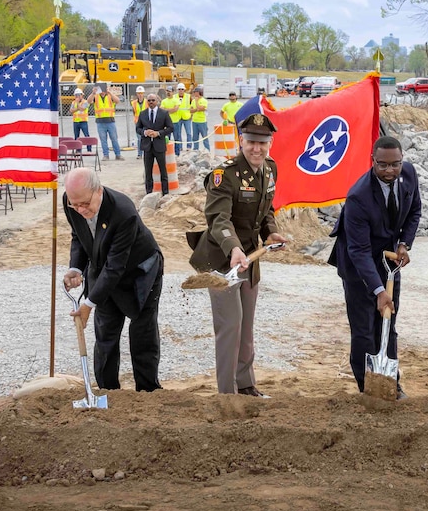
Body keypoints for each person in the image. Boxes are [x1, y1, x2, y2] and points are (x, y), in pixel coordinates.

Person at [189, 113, 288, 396]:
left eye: (263, 142)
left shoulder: (270, 169)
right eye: (251, 142)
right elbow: (219, 220)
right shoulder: (224, 176)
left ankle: (245, 386)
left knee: (246, 327)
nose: (257, 148)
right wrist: (233, 248)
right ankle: (227, 395)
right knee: (230, 327)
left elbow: (266, 209)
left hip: (250, 258)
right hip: (222, 260)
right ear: (240, 141)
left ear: (270, 143)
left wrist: (271, 233)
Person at [328, 136, 422, 399]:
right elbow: (358, 251)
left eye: (395, 164)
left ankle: (391, 382)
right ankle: (367, 386)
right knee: (364, 328)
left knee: (387, 323)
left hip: (389, 258)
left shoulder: (409, 174)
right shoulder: (359, 196)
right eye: (383, 165)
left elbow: (415, 210)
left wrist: (404, 243)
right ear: (372, 162)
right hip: (358, 264)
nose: (389, 171)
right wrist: (379, 291)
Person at [62, 167, 164, 391]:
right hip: (104, 271)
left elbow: (116, 265)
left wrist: (88, 304)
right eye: (74, 204)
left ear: (98, 191)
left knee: (141, 333)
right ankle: (108, 391)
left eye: (85, 204)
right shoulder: (71, 201)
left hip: (139, 272)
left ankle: (148, 391)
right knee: (106, 333)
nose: (80, 209)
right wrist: (76, 268)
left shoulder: (123, 211)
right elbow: (78, 235)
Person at [135, 93, 173, 194]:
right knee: (148, 172)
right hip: (147, 147)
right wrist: (144, 132)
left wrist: (159, 133)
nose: (151, 102)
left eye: (153, 100)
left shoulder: (163, 113)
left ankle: (165, 193)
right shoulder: (143, 114)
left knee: (163, 171)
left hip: (159, 146)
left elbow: (170, 128)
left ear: (157, 101)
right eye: (149, 100)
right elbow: (137, 128)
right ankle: (149, 192)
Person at [88, 83, 122, 161]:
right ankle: (106, 155)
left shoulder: (110, 96)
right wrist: (93, 93)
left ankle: (118, 154)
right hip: (100, 122)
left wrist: (109, 92)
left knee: (114, 139)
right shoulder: (95, 96)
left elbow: (117, 101)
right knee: (103, 140)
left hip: (110, 121)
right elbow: (89, 101)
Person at [190, 86, 210, 152]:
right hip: (194, 121)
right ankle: (196, 150)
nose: (194, 93)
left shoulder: (204, 101)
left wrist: (196, 101)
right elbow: (191, 110)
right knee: (195, 137)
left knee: (204, 136)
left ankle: (207, 150)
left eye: (195, 92)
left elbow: (200, 108)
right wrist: (196, 109)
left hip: (202, 121)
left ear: (199, 92)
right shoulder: (193, 101)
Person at [131, 86, 149, 159]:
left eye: (141, 93)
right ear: (137, 94)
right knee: (139, 138)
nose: (140, 95)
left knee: (146, 138)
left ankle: (146, 153)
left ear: (143, 94)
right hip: (138, 122)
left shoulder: (147, 102)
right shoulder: (134, 103)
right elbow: (134, 112)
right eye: (139, 93)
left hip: (146, 122)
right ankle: (139, 154)